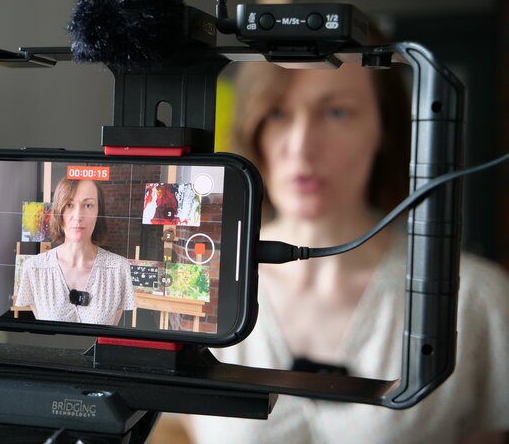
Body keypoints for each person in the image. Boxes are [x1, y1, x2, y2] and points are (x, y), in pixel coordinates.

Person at [177, 61, 509, 443]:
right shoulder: (192, 282)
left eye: (336, 112)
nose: (301, 146)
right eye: (278, 113)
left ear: (385, 128)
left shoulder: (474, 300)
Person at [15, 176, 135, 325]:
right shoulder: (34, 268)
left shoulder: (119, 269)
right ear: (58, 211)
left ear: (99, 212)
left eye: (88, 205)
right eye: (69, 205)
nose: (78, 217)